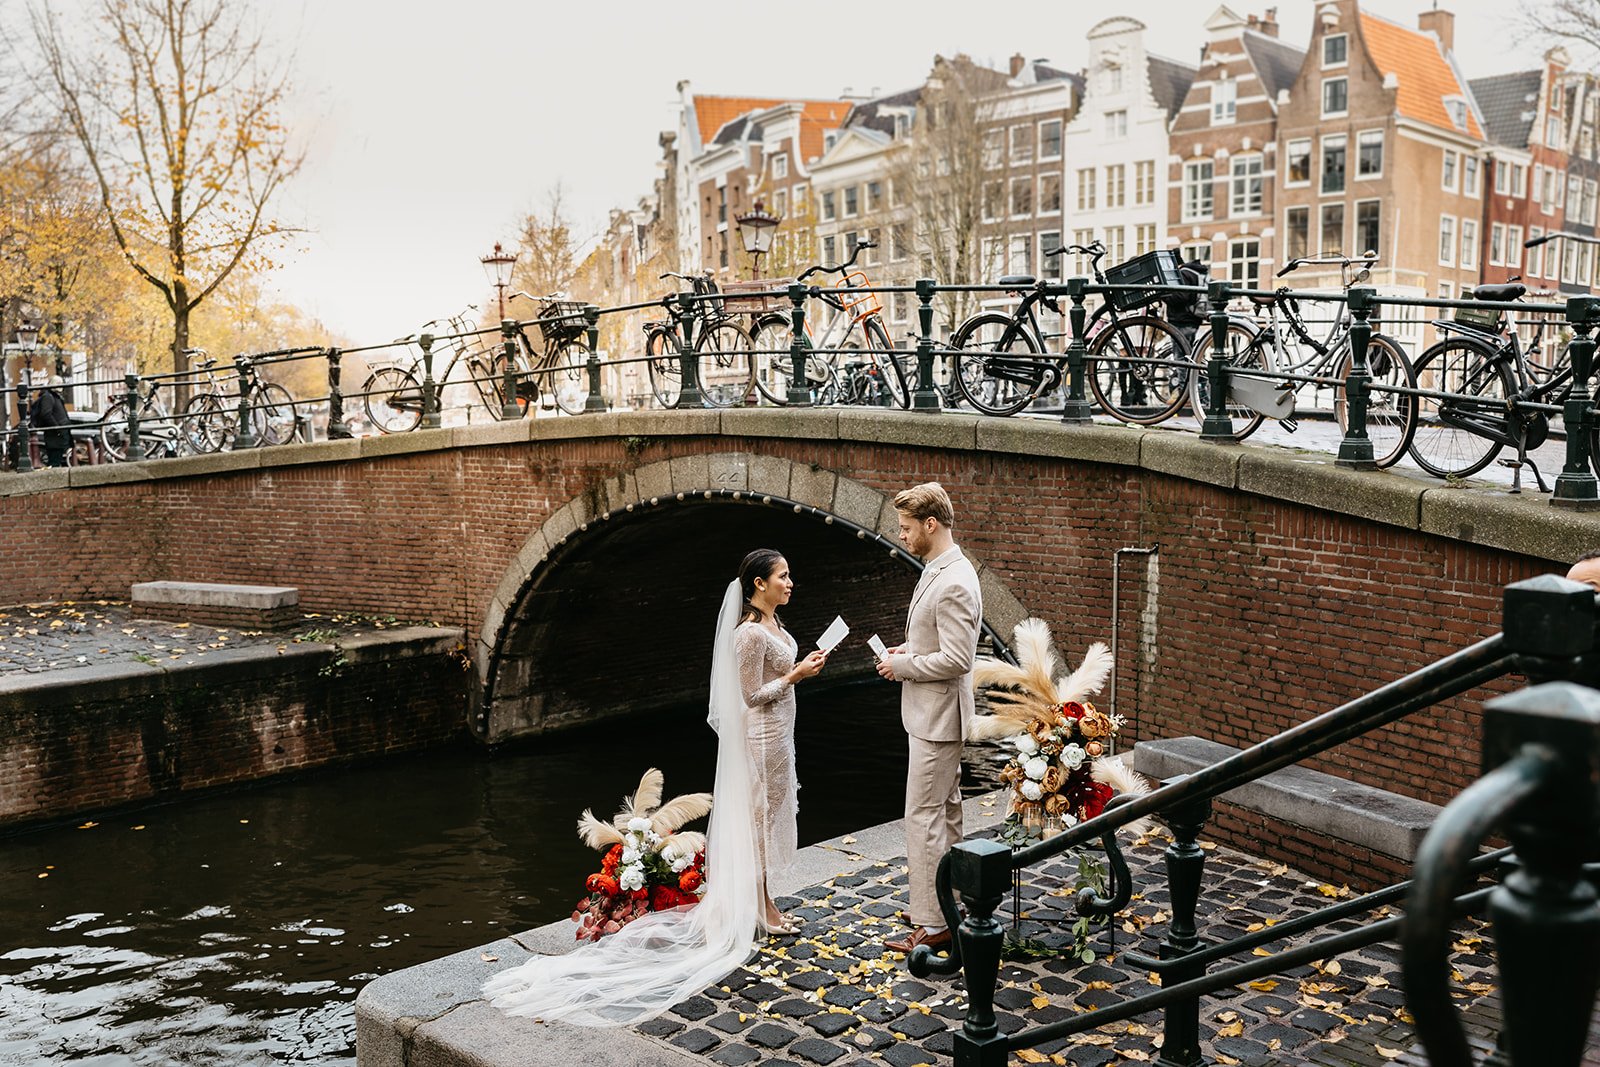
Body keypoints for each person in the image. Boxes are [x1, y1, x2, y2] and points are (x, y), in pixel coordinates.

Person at [482, 549, 828, 1026]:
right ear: (757, 584)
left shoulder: (776, 626)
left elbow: (776, 683)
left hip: (781, 735)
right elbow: (750, 696)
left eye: (790, 574)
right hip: (762, 738)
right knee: (759, 820)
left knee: (769, 816)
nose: (791, 582)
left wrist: (799, 667)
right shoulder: (748, 634)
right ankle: (759, 905)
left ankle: (760, 900)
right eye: (783, 576)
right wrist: (796, 674)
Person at [875, 482, 982, 956]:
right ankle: (946, 899)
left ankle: (934, 922)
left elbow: (959, 659)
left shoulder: (955, 579)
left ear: (930, 525)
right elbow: (938, 640)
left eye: (906, 528)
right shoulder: (941, 569)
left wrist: (903, 667)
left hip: (938, 718)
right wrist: (911, 649)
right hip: (932, 714)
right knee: (947, 812)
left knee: (922, 817)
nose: (902, 536)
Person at [29, 378, 71, 469]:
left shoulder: (54, 396)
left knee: (57, 460)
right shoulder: (48, 397)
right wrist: (57, 428)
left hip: (58, 434)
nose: (60, 385)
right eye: (58, 383)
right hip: (54, 436)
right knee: (54, 461)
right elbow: (46, 414)